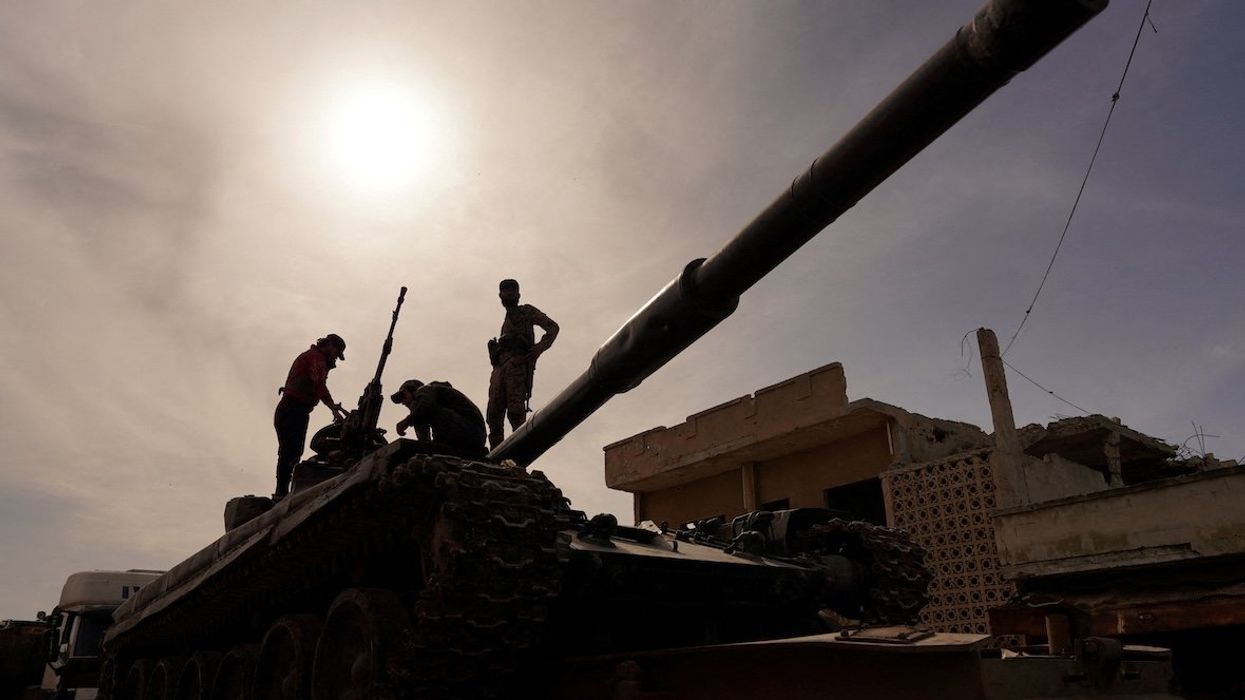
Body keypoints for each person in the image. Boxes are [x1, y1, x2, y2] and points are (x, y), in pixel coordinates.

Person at [486, 279, 558, 450]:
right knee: (494, 414)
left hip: (517, 366)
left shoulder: (526, 311)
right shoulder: (507, 319)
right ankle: (496, 455)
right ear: (500, 295)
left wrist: (538, 348)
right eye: (505, 291)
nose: (508, 293)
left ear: (518, 294)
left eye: (512, 290)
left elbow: (553, 328)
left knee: (516, 413)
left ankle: (518, 455)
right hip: (500, 368)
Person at [273, 334, 347, 499]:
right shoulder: (316, 358)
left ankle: (282, 492)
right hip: (293, 409)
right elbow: (318, 383)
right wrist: (333, 408)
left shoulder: (313, 357)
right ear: (330, 346)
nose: (335, 357)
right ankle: (281, 494)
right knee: (290, 452)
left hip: (293, 409)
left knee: (291, 452)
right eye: (336, 352)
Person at [390, 379, 487, 457]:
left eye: (403, 396)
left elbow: (426, 407)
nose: (403, 402)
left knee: (423, 412)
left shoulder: (425, 390)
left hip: (472, 432)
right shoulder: (424, 408)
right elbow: (424, 439)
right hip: (469, 436)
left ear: (412, 390)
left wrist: (407, 421)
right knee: (420, 415)